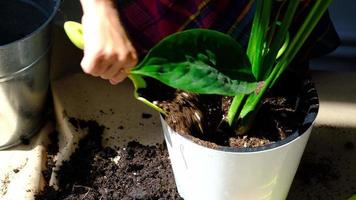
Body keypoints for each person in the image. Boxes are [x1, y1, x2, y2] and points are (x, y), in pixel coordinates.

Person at [78, 0, 339, 85]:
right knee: (178, 93)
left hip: (261, 10)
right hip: (172, 12)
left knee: (279, 78)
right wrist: (100, 11)